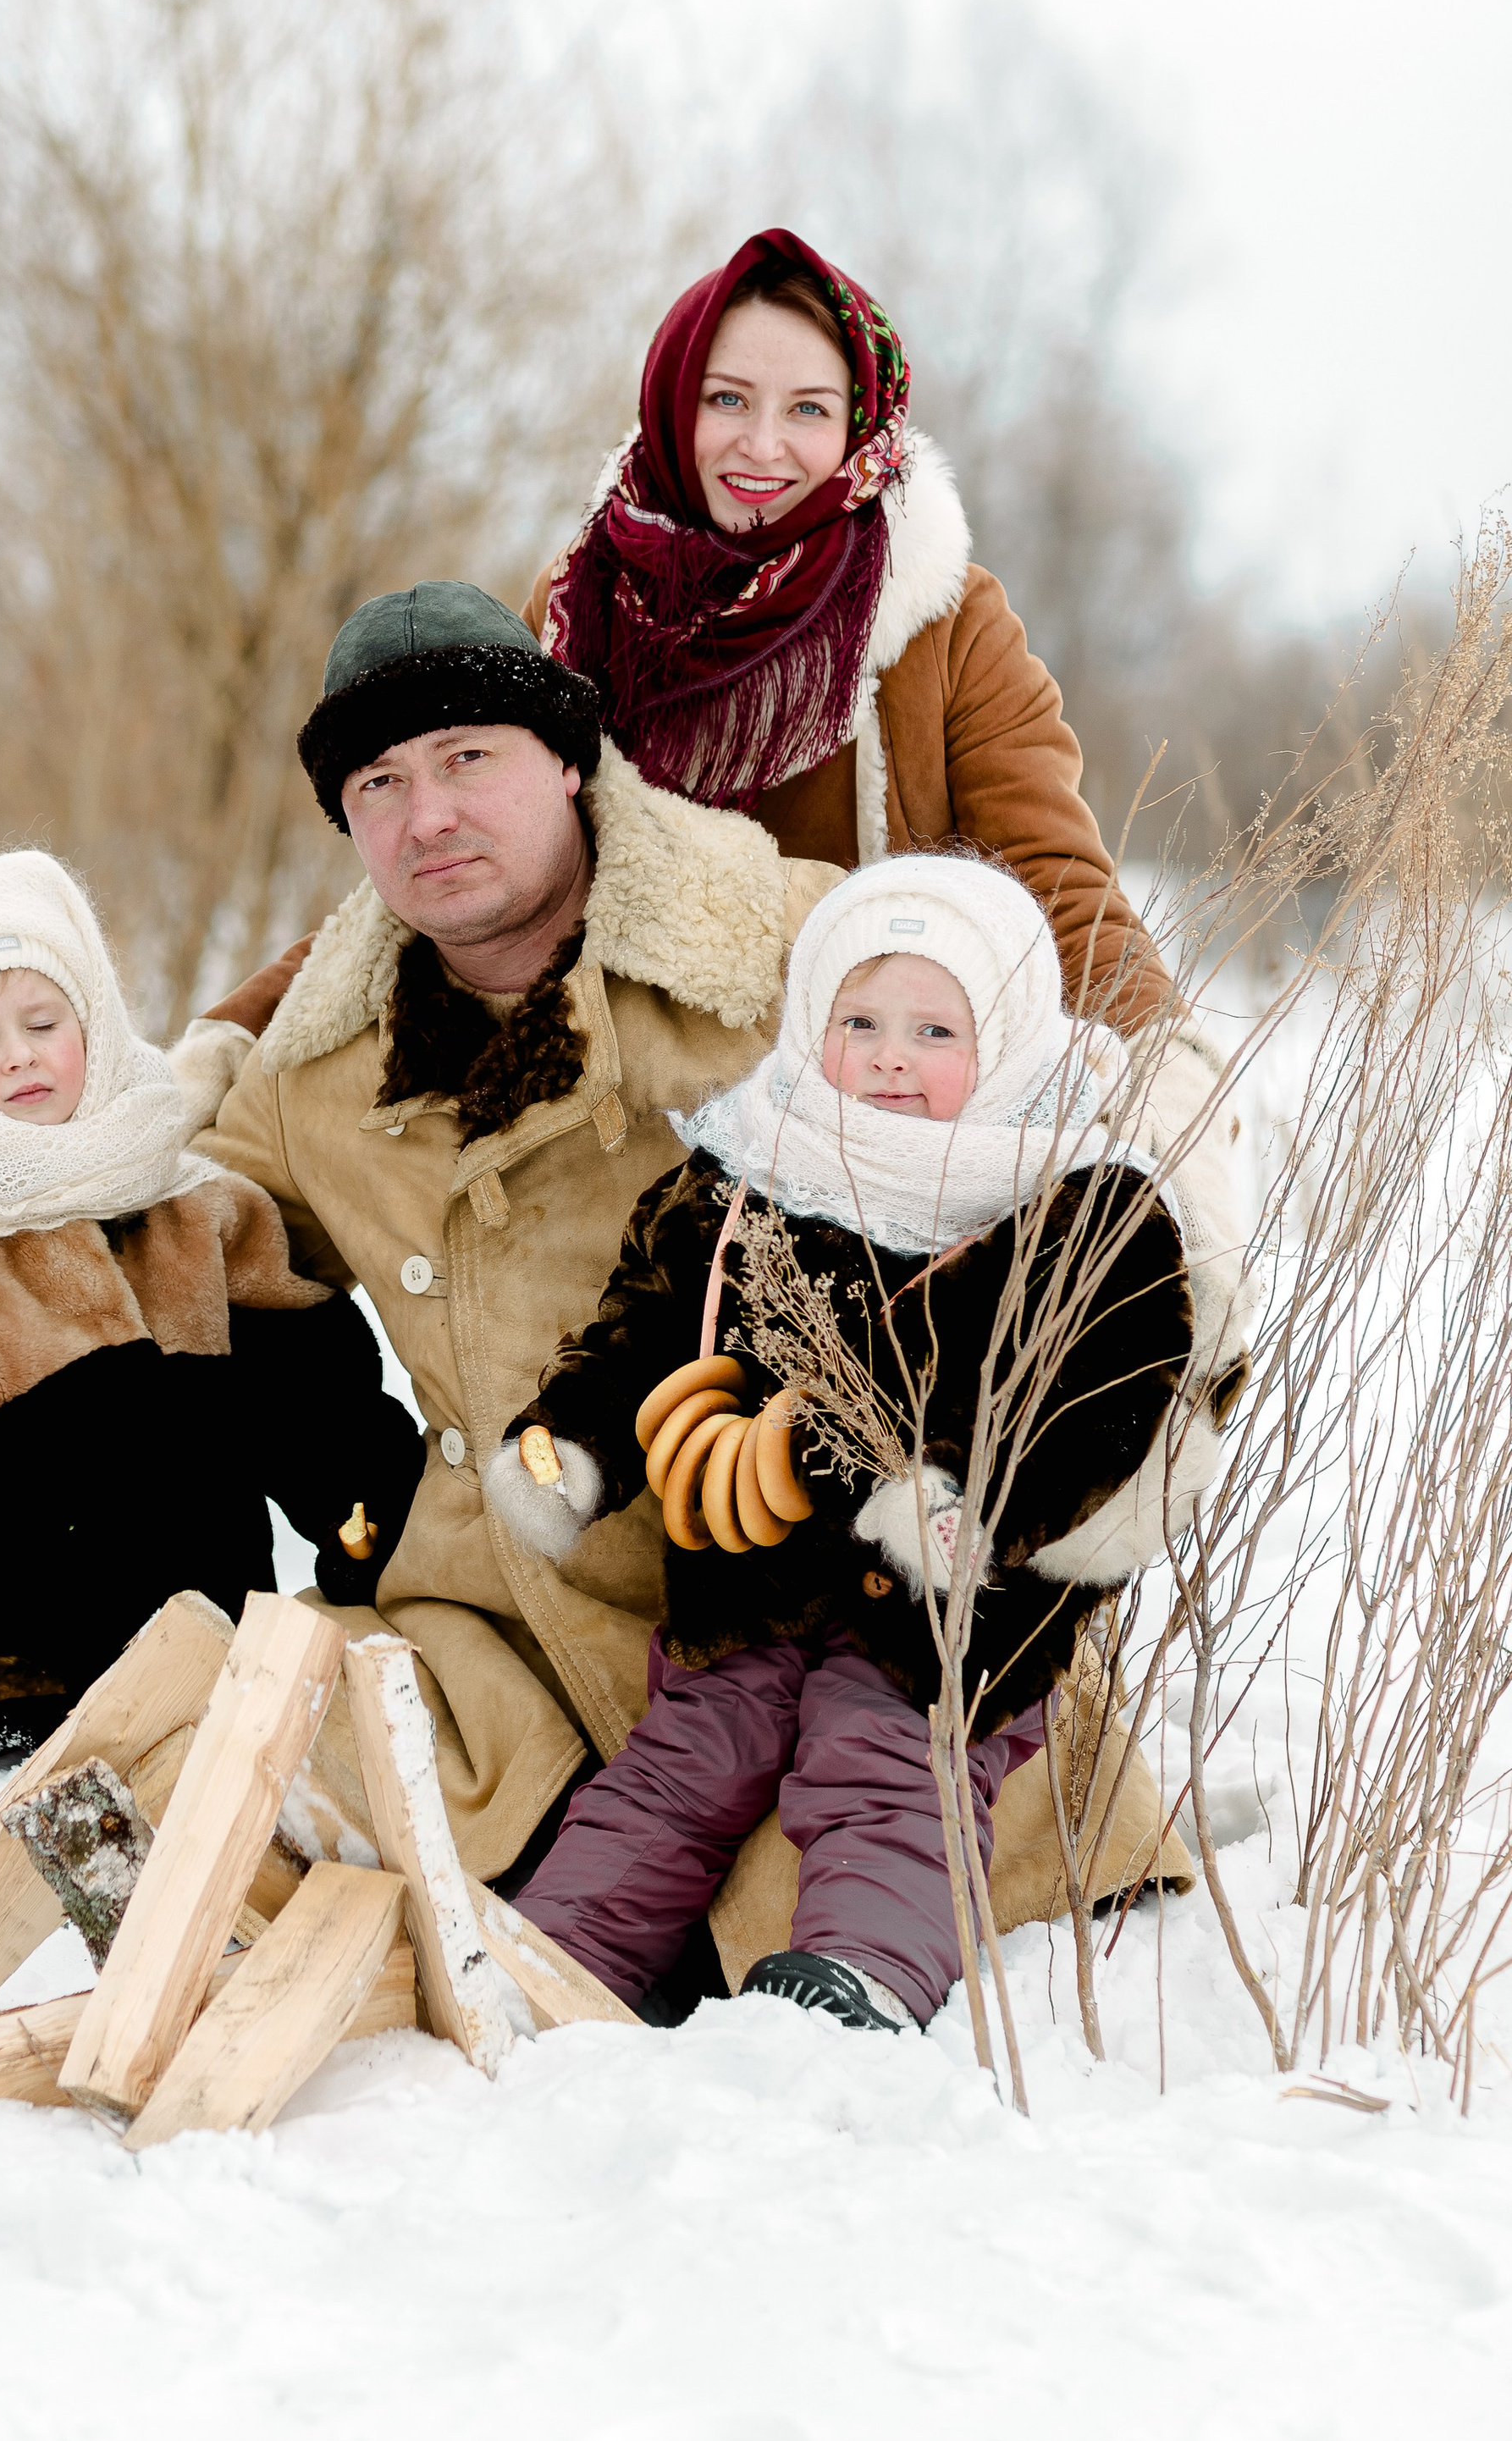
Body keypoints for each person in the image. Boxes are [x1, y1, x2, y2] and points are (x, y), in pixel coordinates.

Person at [195, 582, 1194, 2001]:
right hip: (524, 1627)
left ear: (567, 759)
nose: (430, 817)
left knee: (868, 1837)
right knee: (233, 1765)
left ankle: (854, 1965)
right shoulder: (312, 1074)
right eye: (380, 785)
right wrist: (360, 1491)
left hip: (878, 1601)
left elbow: (1040, 1097)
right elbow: (198, 1250)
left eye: (469, 757)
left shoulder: (794, 946)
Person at [483, 853, 1250, 2027]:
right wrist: (571, 1441)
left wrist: (970, 1498)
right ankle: (549, 1963)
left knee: (889, 1756)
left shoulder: (1075, 1201)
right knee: (682, 1761)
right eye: (860, 1023)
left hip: (947, 1598)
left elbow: (1103, 1389)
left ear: (1008, 1042)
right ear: (810, 1025)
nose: (892, 1057)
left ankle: (863, 1977)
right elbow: (644, 1330)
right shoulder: (746, 1178)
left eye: (936, 1030)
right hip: (749, 1565)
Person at [0, 849, 420, 1786]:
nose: (18, 1054)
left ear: (92, 1019)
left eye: (44, 1023)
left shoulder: (193, 1216)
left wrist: (386, 1545)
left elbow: (316, 1406)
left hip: (189, 1671)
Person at [527, 226, 1171, 1031]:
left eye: (808, 409)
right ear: (670, 400)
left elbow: (1058, 888)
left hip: (864, 1086)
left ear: (859, 426)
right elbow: (490, 866)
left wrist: (1164, 1067)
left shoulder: (948, 622)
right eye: (726, 399)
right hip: (627, 1081)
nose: (763, 445)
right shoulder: (576, 607)